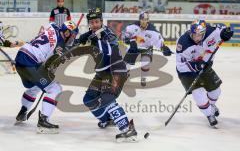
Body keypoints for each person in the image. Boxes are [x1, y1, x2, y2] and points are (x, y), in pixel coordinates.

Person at [74, 8, 138, 142]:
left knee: (107, 99)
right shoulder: (92, 34)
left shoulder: (108, 35)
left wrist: (96, 40)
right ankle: (107, 119)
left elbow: (109, 49)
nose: (94, 25)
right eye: (91, 22)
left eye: (97, 22)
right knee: (88, 99)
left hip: (115, 72)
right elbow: (77, 43)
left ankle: (127, 128)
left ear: (102, 22)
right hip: (102, 73)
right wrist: (75, 39)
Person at [14, 20, 78, 133]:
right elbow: (54, 62)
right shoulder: (60, 46)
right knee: (55, 88)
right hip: (30, 62)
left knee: (36, 86)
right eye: (72, 35)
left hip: (21, 57)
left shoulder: (53, 27)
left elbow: (49, 28)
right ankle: (43, 121)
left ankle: (23, 112)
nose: (72, 38)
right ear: (67, 33)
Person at [176, 19, 233, 126]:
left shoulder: (210, 31)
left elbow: (223, 29)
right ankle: (209, 114)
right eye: (194, 35)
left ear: (204, 32)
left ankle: (211, 105)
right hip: (187, 72)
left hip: (205, 66)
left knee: (216, 91)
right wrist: (195, 66)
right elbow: (181, 64)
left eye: (199, 35)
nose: (197, 38)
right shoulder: (183, 42)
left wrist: (225, 33)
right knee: (199, 95)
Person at [122, 11, 172, 87]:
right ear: (139, 19)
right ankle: (125, 74)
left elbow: (159, 42)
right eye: (142, 19)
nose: (144, 21)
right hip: (134, 46)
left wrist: (164, 48)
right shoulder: (132, 26)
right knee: (127, 64)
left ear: (148, 20)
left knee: (145, 63)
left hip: (146, 47)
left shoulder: (153, 31)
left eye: (146, 19)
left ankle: (143, 77)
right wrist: (130, 41)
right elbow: (125, 38)